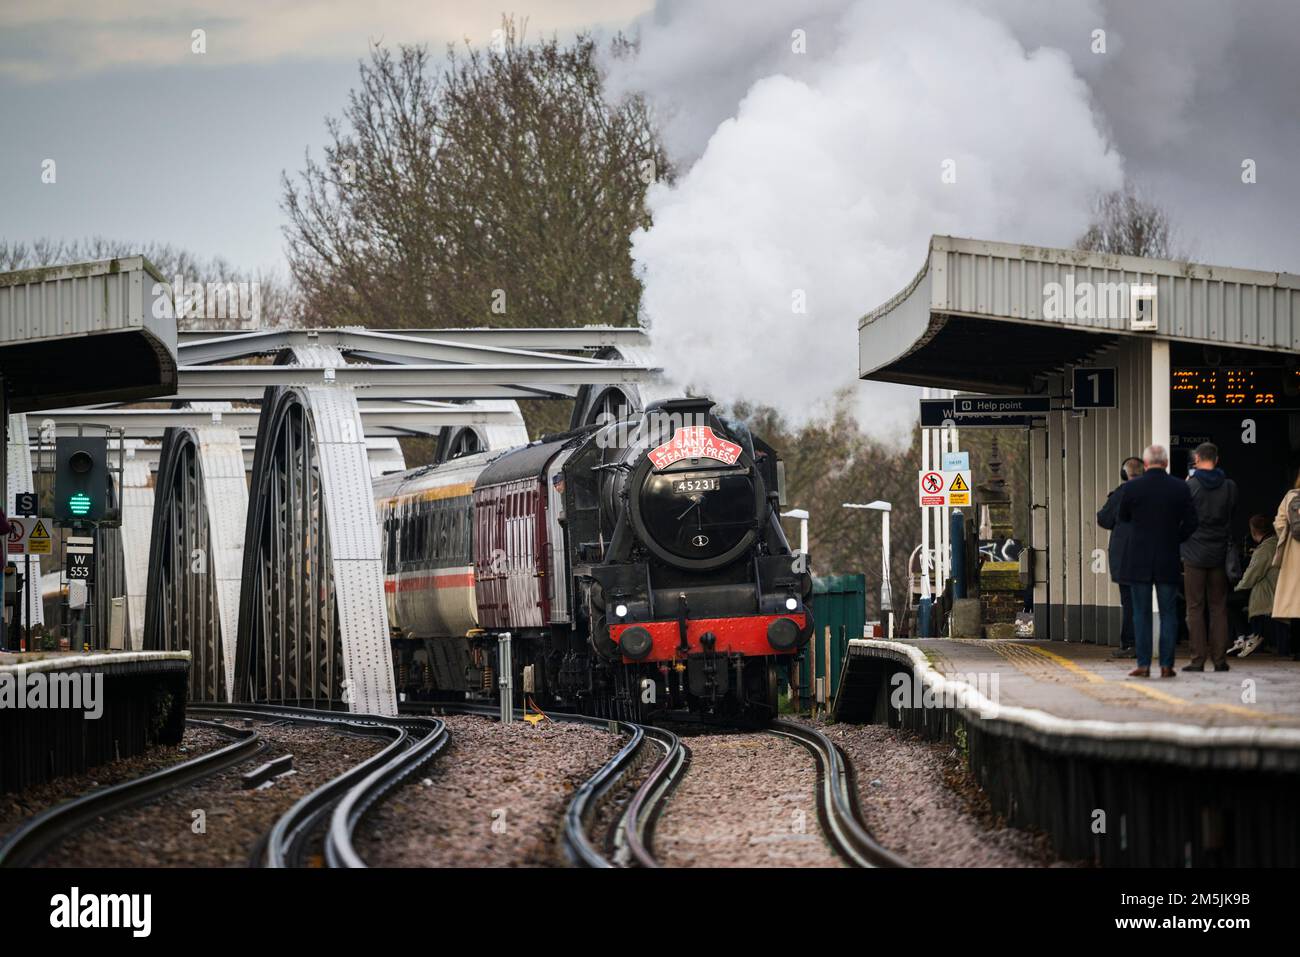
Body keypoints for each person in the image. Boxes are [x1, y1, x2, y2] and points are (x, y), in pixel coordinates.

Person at [1117, 444, 1198, 678]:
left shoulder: (1132, 487)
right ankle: (1166, 665)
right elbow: (1192, 522)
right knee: (1168, 613)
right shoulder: (1180, 488)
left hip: (1138, 558)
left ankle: (1143, 664)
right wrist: (1175, 537)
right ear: (1166, 463)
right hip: (1168, 557)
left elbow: (1123, 517)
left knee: (1140, 613)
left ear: (1145, 464)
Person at [1180, 442, 1238, 673]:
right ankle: (1220, 659)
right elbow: (1232, 513)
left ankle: (1197, 659)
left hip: (1194, 551)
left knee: (1194, 606)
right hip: (1219, 551)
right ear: (1217, 459)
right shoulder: (1230, 486)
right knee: (1218, 606)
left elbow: (1182, 517)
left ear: (1197, 459)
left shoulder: (1190, 485)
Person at [1097, 456, 1144, 658]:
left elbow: (1103, 519)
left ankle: (1130, 644)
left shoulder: (1120, 494)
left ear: (1124, 474)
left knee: (1129, 601)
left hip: (1125, 556)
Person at [1231, 515, 1286, 658]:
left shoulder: (1265, 549)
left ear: (1253, 530)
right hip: (1280, 591)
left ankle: (1244, 638)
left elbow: (1252, 575)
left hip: (1269, 594)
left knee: (1231, 602)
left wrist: (1237, 588)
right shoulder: (1277, 543)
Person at [1270, 470, 1300, 659]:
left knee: (1296, 603)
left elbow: (1279, 523)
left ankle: (1297, 649)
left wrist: (1286, 536)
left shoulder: (1291, 496)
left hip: (1294, 553)